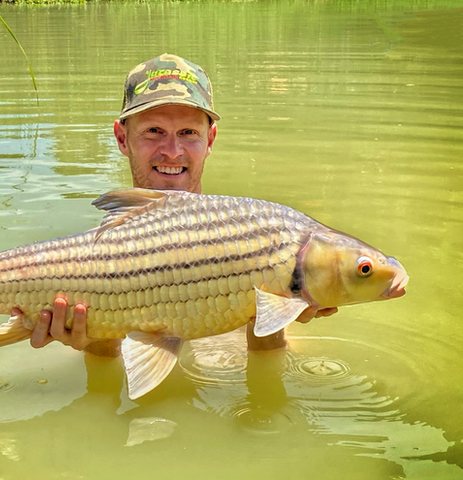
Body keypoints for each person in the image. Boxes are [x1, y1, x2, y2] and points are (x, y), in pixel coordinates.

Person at [28, 53, 337, 357]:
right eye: (154, 132)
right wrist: (96, 337)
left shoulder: (260, 248)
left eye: (188, 133)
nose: (173, 151)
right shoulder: (87, 261)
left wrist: (268, 324)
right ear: (122, 138)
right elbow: (106, 377)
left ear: (210, 139)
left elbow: (270, 368)